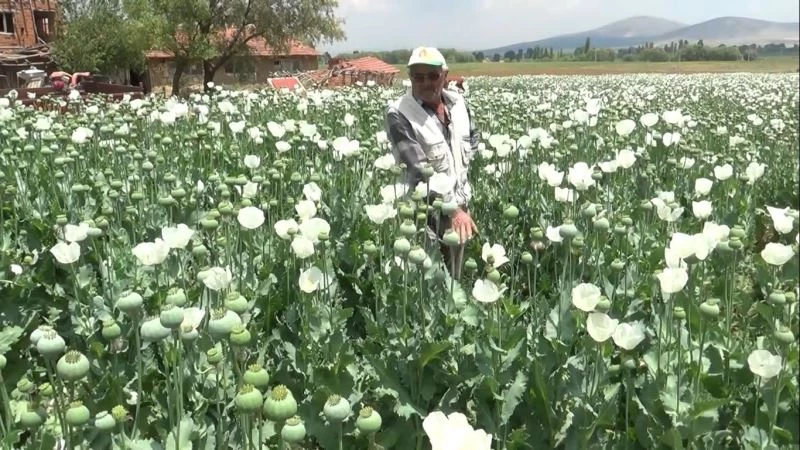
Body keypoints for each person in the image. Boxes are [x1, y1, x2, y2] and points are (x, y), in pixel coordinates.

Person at [385, 46, 480, 279]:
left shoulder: (459, 105)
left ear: (445, 76)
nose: (426, 82)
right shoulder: (399, 114)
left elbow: (474, 141)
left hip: (459, 208)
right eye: (418, 76)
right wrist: (453, 210)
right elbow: (418, 170)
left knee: (455, 280)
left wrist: (460, 203)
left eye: (433, 75)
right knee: (429, 283)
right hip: (423, 215)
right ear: (410, 78)